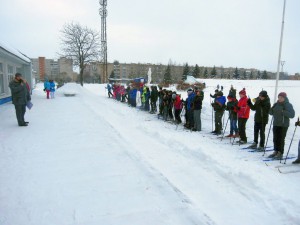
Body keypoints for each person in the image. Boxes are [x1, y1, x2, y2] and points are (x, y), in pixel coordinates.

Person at [268, 92, 295, 159]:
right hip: (276, 123)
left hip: (283, 125)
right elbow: (271, 112)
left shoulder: (288, 105)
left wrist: (283, 112)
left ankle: (280, 153)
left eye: (281, 97)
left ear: (284, 98)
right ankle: (276, 151)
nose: (280, 98)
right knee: (275, 138)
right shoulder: (276, 104)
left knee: (281, 139)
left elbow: (292, 115)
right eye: (279, 97)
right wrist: (271, 110)